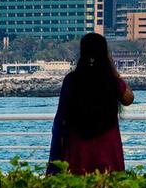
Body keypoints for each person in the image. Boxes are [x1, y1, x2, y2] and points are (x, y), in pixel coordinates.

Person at [48, 32, 134, 175]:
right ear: (105, 54)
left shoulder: (72, 80)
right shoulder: (110, 81)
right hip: (108, 146)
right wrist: (113, 69)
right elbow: (129, 99)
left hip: (77, 146)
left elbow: (61, 116)